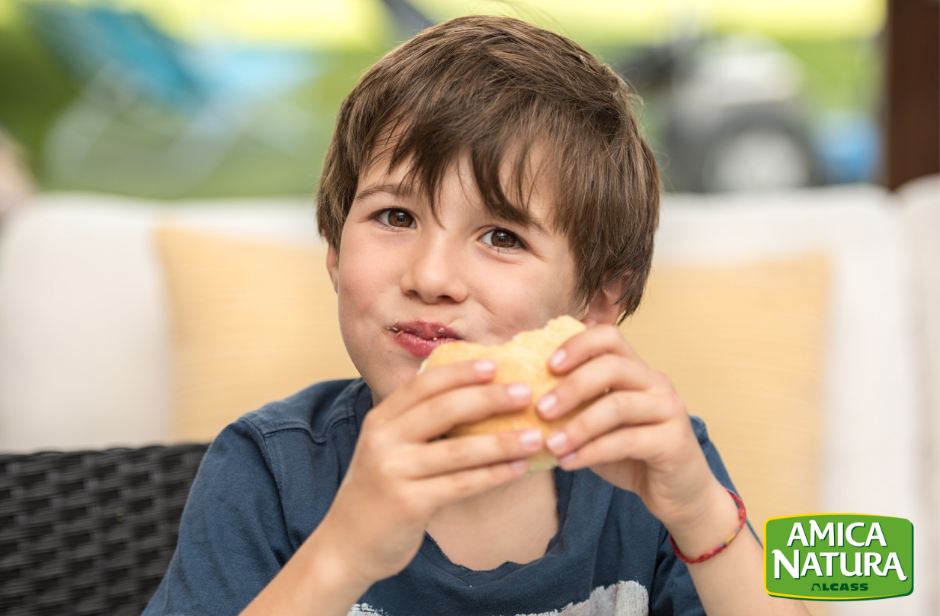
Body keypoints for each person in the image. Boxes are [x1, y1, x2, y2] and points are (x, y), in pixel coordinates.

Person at [143, 15, 810, 616]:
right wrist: (343, 554)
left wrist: (699, 514)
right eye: (395, 217)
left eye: (501, 237)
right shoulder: (271, 472)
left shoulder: (652, 469)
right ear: (335, 249)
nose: (430, 277)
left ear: (599, 299)